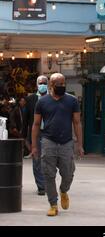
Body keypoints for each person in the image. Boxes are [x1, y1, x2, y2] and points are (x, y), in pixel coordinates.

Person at [31, 73, 84, 217]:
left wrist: (79, 144)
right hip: (48, 141)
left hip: (66, 142)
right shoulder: (42, 102)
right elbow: (36, 124)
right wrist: (34, 146)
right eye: (58, 84)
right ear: (51, 86)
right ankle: (53, 204)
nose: (61, 86)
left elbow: (77, 123)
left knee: (68, 173)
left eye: (63, 83)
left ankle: (63, 190)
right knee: (48, 174)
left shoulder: (72, 101)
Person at [23, 75, 48, 195]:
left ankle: (48, 183)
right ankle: (41, 186)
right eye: (40, 83)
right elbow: (26, 118)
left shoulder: (52, 98)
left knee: (48, 159)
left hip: (49, 133)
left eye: (44, 83)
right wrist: (24, 136)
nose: (42, 85)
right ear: (37, 85)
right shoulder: (30, 99)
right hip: (35, 133)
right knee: (37, 159)